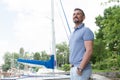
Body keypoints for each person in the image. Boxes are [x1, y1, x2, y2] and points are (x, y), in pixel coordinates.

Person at [69, 8, 94, 80]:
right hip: (73, 68)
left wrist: (81, 68)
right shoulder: (73, 33)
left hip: (82, 69)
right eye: (74, 14)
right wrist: (72, 65)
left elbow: (89, 50)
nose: (75, 15)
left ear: (83, 17)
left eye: (78, 14)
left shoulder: (86, 30)